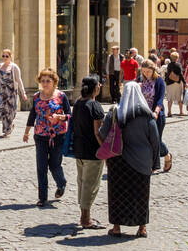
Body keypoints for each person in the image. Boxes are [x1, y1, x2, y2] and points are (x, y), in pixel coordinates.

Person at [99, 82, 160, 238]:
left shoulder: (114, 113)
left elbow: (102, 133)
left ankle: (117, 227)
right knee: (141, 194)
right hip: (143, 160)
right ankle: (142, 227)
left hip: (118, 161)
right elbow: (155, 141)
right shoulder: (147, 116)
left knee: (118, 193)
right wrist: (155, 163)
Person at [22, 68, 70, 207]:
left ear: (54, 82)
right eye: (42, 81)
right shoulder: (37, 96)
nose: (45, 83)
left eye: (48, 81)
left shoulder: (61, 96)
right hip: (41, 135)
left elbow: (69, 115)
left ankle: (61, 183)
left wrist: (60, 117)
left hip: (58, 136)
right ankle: (43, 197)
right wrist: (26, 132)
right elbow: (32, 115)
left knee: (55, 165)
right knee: (41, 167)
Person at [70, 75, 106, 229]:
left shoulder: (78, 103)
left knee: (82, 182)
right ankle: (85, 218)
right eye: (99, 84)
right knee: (90, 185)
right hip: (93, 151)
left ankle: (84, 214)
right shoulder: (95, 106)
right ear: (95, 87)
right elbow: (98, 132)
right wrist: (105, 150)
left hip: (79, 149)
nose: (100, 87)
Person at [137, 60, 172, 173]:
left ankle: (166, 156)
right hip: (143, 115)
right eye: (144, 72)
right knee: (146, 140)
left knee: (156, 140)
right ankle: (150, 163)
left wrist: (156, 112)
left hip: (156, 115)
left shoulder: (159, 81)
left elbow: (160, 99)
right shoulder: (139, 80)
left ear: (153, 70)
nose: (146, 74)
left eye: (148, 72)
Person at [0, 48, 27, 137]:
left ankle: (7, 129)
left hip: (11, 94)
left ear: (10, 57)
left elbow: (19, 80)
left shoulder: (14, 67)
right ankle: (8, 127)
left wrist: (23, 93)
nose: (4, 58)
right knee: (2, 112)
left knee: (11, 112)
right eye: (3, 56)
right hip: (2, 93)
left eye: (6, 56)